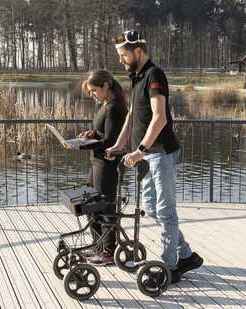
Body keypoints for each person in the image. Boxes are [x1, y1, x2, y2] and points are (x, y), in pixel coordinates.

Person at [107, 30, 203, 283]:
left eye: (123, 55)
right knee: (151, 208)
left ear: (137, 51)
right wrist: (119, 144)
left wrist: (140, 151)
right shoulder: (137, 77)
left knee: (166, 211)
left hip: (160, 153)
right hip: (147, 154)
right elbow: (133, 116)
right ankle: (186, 255)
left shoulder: (154, 75)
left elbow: (159, 118)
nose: (121, 60)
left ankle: (169, 268)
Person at [69, 70, 128, 265]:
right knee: (91, 205)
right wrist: (89, 134)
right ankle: (98, 247)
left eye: (94, 90)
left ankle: (108, 252)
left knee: (105, 206)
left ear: (105, 86)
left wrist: (83, 145)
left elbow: (110, 141)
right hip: (96, 162)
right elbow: (101, 132)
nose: (92, 94)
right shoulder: (105, 105)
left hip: (107, 164)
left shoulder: (115, 108)